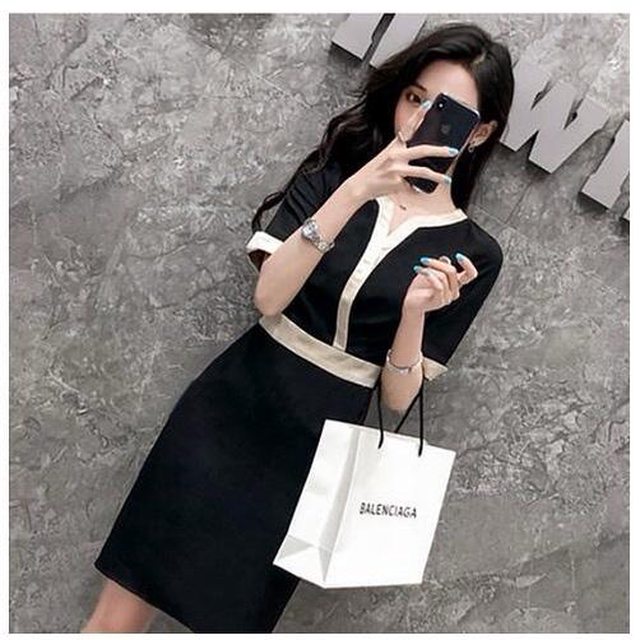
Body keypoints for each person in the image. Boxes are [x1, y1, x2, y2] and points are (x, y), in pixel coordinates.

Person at [82, 21, 514, 633]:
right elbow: (269, 297)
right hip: (227, 412)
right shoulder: (335, 175)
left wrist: (416, 312)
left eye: (445, 111)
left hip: (316, 452)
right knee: (118, 612)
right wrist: (357, 189)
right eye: (414, 97)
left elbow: (397, 400)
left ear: (480, 133)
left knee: (233, 620)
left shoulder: (476, 252)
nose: (420, 118)